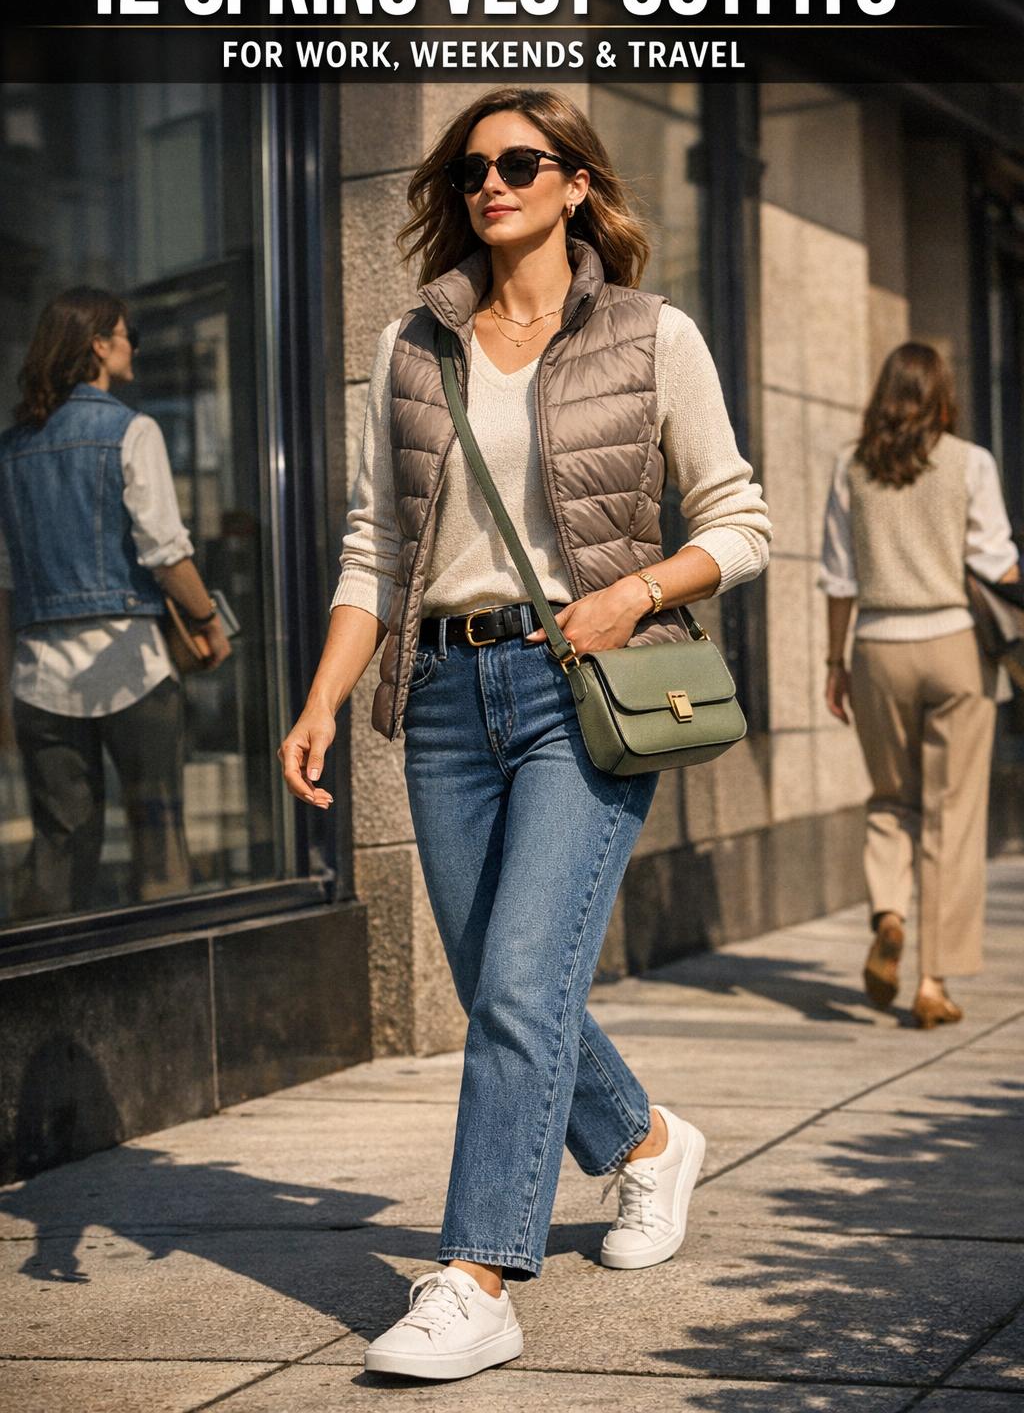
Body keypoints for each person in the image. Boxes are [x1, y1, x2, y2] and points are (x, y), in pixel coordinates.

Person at [279, 87, 771, 1381]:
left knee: (513, 987)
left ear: (574, 183)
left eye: (518, 161)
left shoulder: (651, 334)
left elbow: (740, 523)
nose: (490, 182)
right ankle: (649, 1144)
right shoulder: (413, 346)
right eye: (471, 167)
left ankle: (478, 1277)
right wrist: (323, 697)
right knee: (510, 982)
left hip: (583, 691)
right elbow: (375, 548)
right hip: (445, 699)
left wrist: (634, 593)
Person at [0, 286, 232, 919]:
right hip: (132, 668)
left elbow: (6, 579)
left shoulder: (12, 449)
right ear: (100, 345)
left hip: (39, 677)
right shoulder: (132, 430)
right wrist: (208, 623)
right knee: (158, 842)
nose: (135, 347)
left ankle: (57, 971)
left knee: (59, 849)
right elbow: (165, 551)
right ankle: (162, 963)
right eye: (130, 336)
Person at [819, 341, 1020, 1029]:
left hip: (878, 647)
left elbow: (839, 578)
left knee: (890, 799)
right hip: (956, 646)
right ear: (941, 397)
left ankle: (889, 914)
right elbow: (996, 560)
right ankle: (932, 982)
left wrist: (835, 662)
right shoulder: (971, 462)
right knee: (952, 815)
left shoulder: (852, 466)